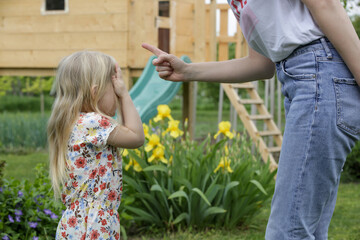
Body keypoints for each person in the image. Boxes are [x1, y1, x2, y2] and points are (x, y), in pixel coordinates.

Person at [142, 0, 360, 239]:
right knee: (308, 231)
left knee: (286, 233)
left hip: (321, 76)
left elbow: (326, 4)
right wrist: (188, 71)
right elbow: (262, 64)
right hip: (302, 80)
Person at [47, 51, 144, 239]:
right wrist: (124, 94)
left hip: (76, 222)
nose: (116, 94)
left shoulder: (75, 122)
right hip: (94, 224)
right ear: (95, 92)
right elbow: (136, 137)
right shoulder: (94, 123)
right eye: (113, 89)